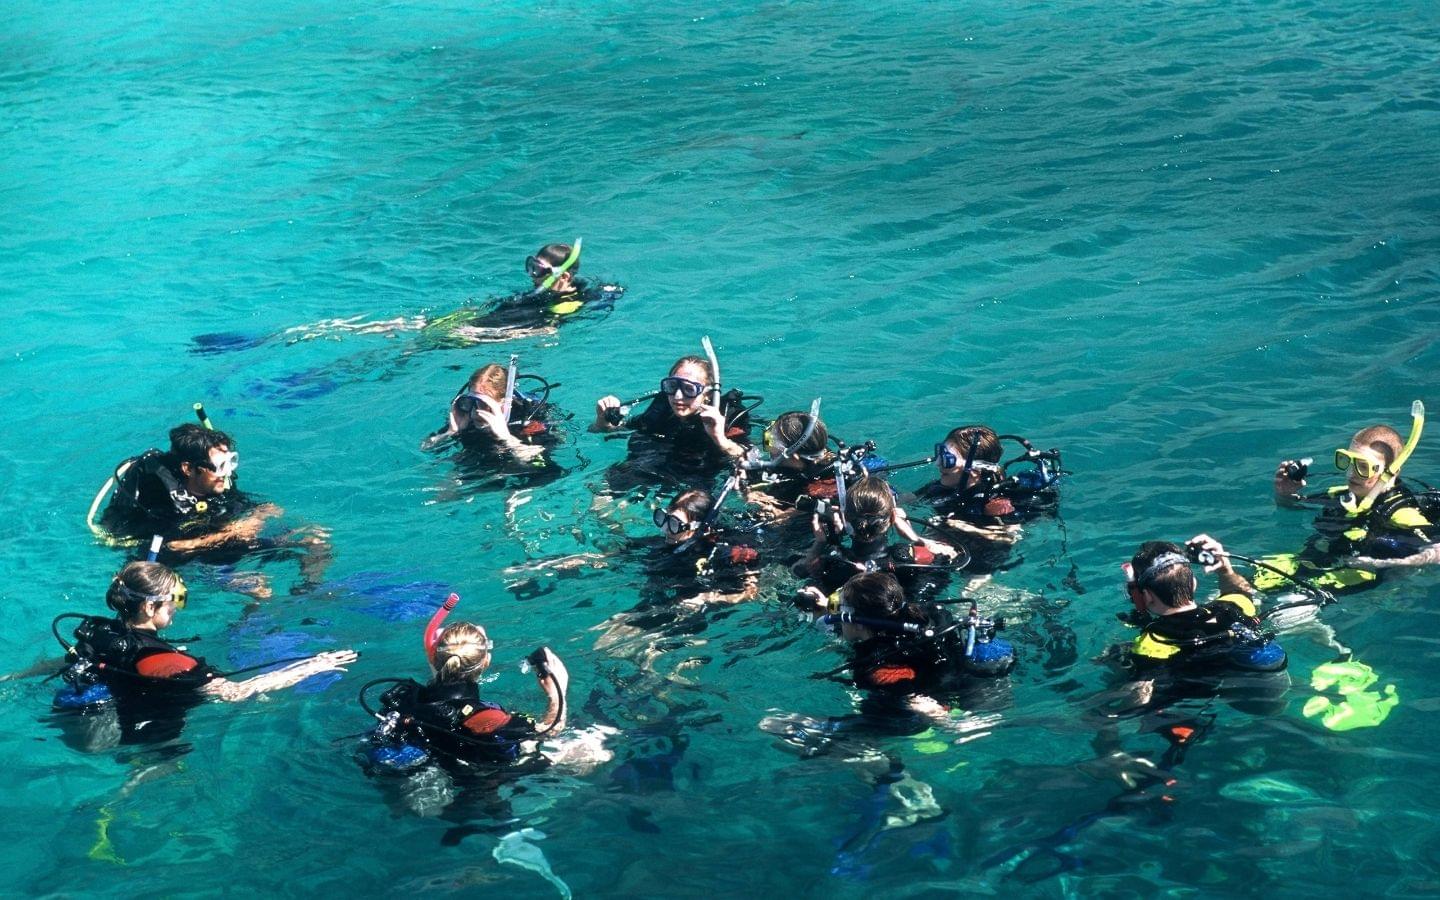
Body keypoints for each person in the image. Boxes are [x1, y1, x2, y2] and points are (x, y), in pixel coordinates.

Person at [50, 561, 357, 748]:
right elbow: (236, 693)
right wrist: (313, 665)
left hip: (73, 722)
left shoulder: (100, 632)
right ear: (149, 607)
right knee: (170, 761)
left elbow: (61, 662)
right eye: (175, 600)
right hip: (126, 736)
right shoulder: (168, 661)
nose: (177, 607)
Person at [190, 240, 624, 353]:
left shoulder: (569, 303)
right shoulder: (539, 292)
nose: (532, 276)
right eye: (530, 267)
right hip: (470, 319)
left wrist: (474, 336)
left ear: (564, 277)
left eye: (541, 272)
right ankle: (278, 336)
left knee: (395, 349)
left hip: (475, 333)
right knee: (385, 327)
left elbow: (540, 336)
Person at [94, 422, 331, 596]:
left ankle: (309, 593)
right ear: (189, 469)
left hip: (221, 539)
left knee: (315, 539)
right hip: (193, 561)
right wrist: (232, 533)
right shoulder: (159, 501)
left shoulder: (215, 483)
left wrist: (260, 513)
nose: (226, 472)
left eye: (230, 462)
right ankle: (250, 632)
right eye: (219, 466)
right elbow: (174, 548)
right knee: (260, 589)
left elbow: (241, 506)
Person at [362, 616, 568, 770]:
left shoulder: (405, 698)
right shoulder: (487, 717)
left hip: (411, 768)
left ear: (432, 658)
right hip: (468, 796)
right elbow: (548, 732)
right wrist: (557, 697)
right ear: (486, 662)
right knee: (586, 746)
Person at [1270, 410, 1440, 588]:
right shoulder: (1338, 495)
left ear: (1392, 473)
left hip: (1355, 574)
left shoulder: (1402, 514)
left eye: (1363, 467)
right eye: (1348, 461)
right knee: (1256, 578)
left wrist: (1383, 564)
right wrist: (1284, 494)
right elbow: (1289, 508)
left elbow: (1437, 552)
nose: (1351, 472)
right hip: (1315, 559)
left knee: (1290, 603)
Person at [1115, 536, 1287, 713]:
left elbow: (1141, 694)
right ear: (1194, 583)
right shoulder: (1233, 609)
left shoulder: (1151, 643)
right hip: (1254, 686)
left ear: (1148, 596)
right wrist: (1224, 569)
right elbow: (1239, 591)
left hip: (1203, 701)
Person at [911, 425, 1063, 571]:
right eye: (939, 455)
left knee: (971, 582)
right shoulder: (940, 487)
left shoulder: (995, 501)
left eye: (946, 459)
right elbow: (908, 498)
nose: (938, 464)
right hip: (952, 539)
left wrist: (956, 525)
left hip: (982, 554)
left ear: (975, 469)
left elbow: (1009, 536)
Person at [591, 354, 755, 488]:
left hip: (698, 474)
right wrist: (602, 420)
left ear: (708, 394)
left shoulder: (728, 416)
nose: (677, 396)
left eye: (689, 389)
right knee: (600, 490)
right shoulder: (663, 408)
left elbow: (750, 460)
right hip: (653, 464)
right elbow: (612, 430)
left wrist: (719, 438)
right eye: (672, 386)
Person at [795, 475, 961, 601]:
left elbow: (800, 572)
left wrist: (820, 543)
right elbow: (949, 558)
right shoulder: (909, 559)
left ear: (846, 518)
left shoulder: (833, 564)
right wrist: (917, 539)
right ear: (891, 519)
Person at [420, 363, 558, 467]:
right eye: (473, 401)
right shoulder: (466, 416)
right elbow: (425, 448)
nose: (478, 410)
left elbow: (538, 463)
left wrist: (507, 437)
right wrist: (450, 432)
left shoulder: (527, 416)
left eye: (485, 403)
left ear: (504, 402)